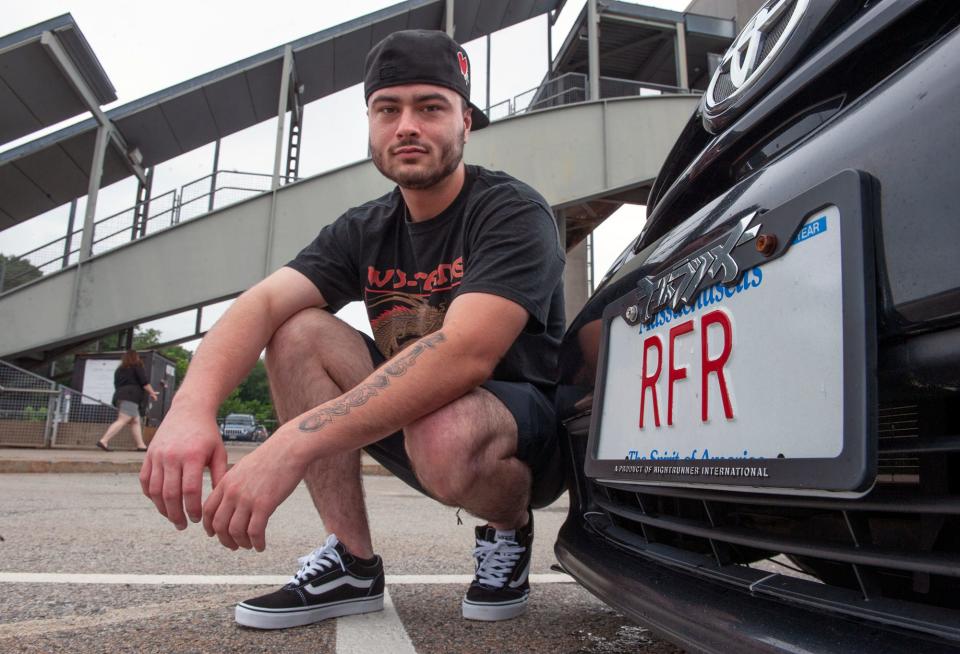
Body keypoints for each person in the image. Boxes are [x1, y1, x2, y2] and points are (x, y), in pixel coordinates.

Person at [140, 29, 565, 629]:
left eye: (430, 107)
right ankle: (351, 562)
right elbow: (261, 303)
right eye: (387, 109)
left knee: (443, 429)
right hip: (415, 421)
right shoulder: (364, 229)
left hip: (520, 436)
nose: (407, 126)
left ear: (466, 122)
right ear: (370, 124)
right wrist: (191, 408)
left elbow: (466, 353)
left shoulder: (511, 211)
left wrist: (292, 440)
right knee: (296, 331)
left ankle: (508, 528)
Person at [98, 350, 159, 452]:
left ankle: (141, 445)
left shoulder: (119, 370)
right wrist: (152, 393)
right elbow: (144, 382)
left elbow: (116, 384)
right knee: (123, 419)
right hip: (130, 396)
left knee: (135, 421)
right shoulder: (137, 366)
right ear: (136, 357)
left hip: (120, 395)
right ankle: (104, 440)